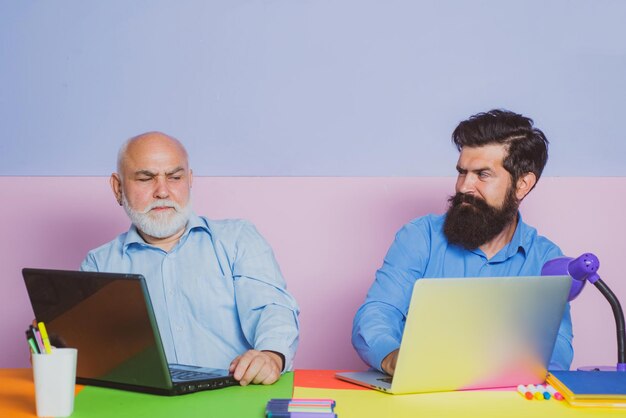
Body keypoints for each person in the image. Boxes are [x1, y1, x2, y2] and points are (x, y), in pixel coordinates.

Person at [352, 109, 573, 375]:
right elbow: (378, 312)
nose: (464, 187)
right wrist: (392, 358)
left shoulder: (546, 260)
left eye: (482, 175)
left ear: (522, 184)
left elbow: (557, 345)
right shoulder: (420, 236)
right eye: (462, 172)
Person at [81, 131, 299, 386]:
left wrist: (271, 355)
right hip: (140, 405)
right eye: (145, 178)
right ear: (118, 188)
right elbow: (91, 351)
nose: (162, 191)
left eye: (174, 177)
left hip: (233, 398)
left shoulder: (238, 238)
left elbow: (271, 308)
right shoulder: (98, 265)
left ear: (190, 180)